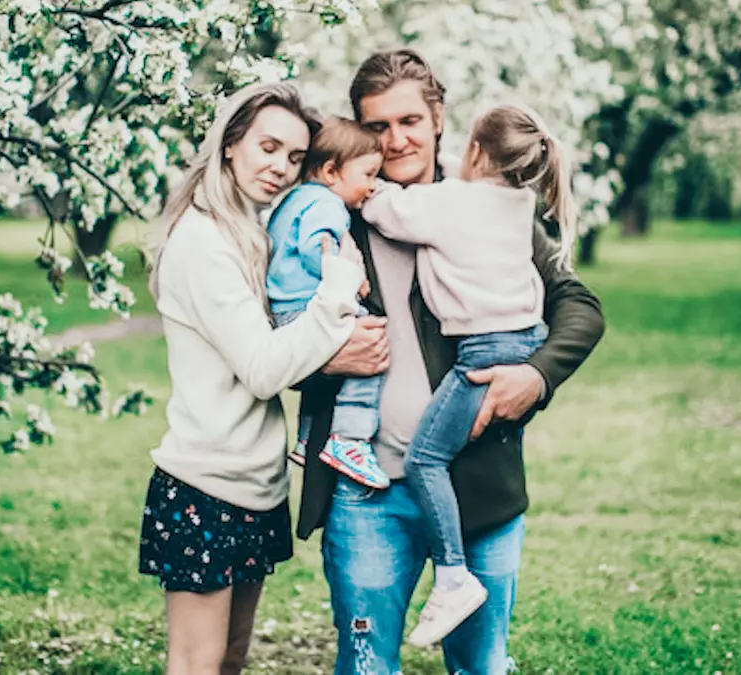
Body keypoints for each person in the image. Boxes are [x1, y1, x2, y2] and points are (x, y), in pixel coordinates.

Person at [294, 49, 606, 674]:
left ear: (439, 118)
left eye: (409, 120)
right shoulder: (329, 219)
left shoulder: (488, 206)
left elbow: (579, 304)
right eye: (377, 126)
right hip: (367, 493)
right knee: (365, 666)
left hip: (478, 487)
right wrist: (324, 360)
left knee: (482, 667)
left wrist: (536, 375)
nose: (396, 139)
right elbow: (269, 332)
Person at [138, 81, 368, 675]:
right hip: (205, 486)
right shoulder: (202, 241)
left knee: (232, 659)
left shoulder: (244, 231)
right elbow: (264, 368)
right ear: (231, 142)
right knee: (198, 664)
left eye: (295, 158)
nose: (281, 168)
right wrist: (338, 290)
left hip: (254, 485)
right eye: (268, 147)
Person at [360, 101, 579, 647]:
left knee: (426, 457)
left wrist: (363, 183)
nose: (396, 139)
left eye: (411, 122)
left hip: (484, 351)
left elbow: (388, 211)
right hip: (522, 338)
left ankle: (453, 577)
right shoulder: (516, 202)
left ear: (473, 150)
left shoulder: (449, 201)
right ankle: (454, 574)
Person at [266, 116, 390, 489]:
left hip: (283, 309)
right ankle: (350, 439)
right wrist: (349, 276)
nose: (372, 186)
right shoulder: (327, 205)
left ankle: (308, 438)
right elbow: (314, 249)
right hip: (305, 306)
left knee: (327, 373)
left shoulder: (295, 199)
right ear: (332, 172)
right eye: (368, 174)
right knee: (371, 343)